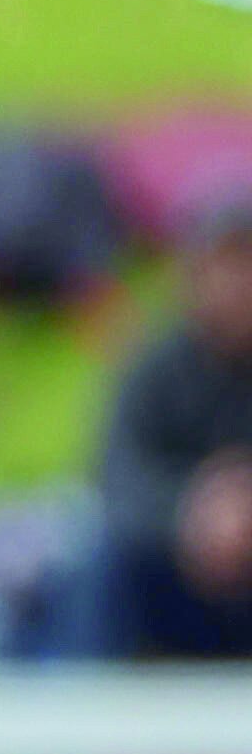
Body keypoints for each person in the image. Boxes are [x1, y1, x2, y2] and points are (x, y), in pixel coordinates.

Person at [90, 188, 252, 655]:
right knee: (96, 557)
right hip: (171, 568)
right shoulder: (156, 366)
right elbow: (116, 476)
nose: (235, 284)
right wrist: (191, 509)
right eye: (223, 266)